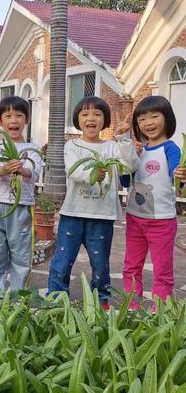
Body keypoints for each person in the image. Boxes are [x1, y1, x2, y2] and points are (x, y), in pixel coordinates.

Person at [47, 96, 139, 309]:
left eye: (97, 114)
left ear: (104, 120)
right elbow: (73, 170)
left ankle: (101, 303)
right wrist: (93, 174)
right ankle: (55, 302)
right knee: (62, 262)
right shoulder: (72, 145)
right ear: (77, 119)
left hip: (102, 216)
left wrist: (124, 138)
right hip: (73, 214)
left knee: (100, 265)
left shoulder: (112, 147)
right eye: (85, 114)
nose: (91, 118)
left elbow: (130, 166)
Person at [123, 96, 186, 309]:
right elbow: (125, 180)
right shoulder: (138, 150)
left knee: (162, 272)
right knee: (131, 267)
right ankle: (130, 310)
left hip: (161, 221)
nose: (148, 123)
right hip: (134, 218)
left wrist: (181, 175)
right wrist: (129, 152)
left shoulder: (171, 149)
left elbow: (178, 182)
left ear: (167, 118)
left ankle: (159, 314)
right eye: (141, 119)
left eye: (154, 116)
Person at [0, 96, 42, 296]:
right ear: (0, 121)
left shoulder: (32, 149)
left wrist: (20, 169)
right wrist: (5, 168)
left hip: (22, 206)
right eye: (8, 116)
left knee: (21, 254)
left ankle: (20, 297)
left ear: (26, 120)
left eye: (19, 115)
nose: (14, 120)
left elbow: (34, 173)